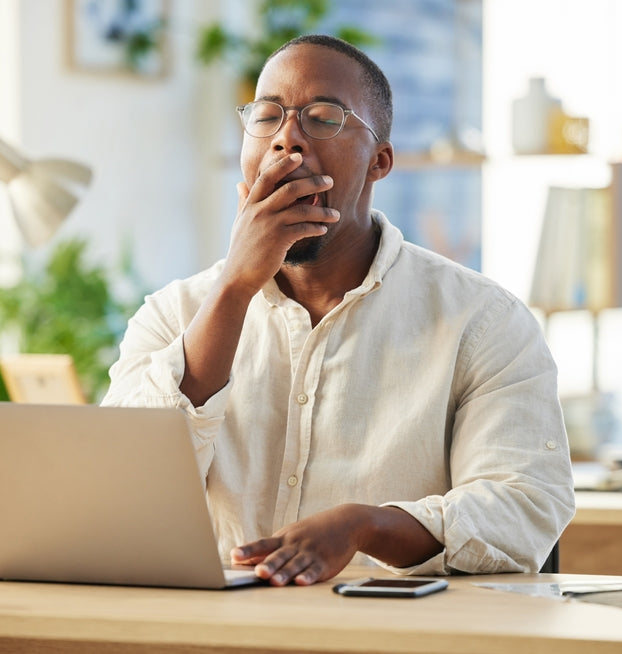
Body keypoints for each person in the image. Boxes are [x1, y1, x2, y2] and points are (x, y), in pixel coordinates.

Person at [103, 34, 575, 586]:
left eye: (323, 117)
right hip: (201, 636)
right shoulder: (172, 314)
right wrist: (233, 289)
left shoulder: (483, 322)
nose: (286, 142)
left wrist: (367, 525)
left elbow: (525, 506)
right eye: (267, 116)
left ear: (380, 162)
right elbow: (119, 496)